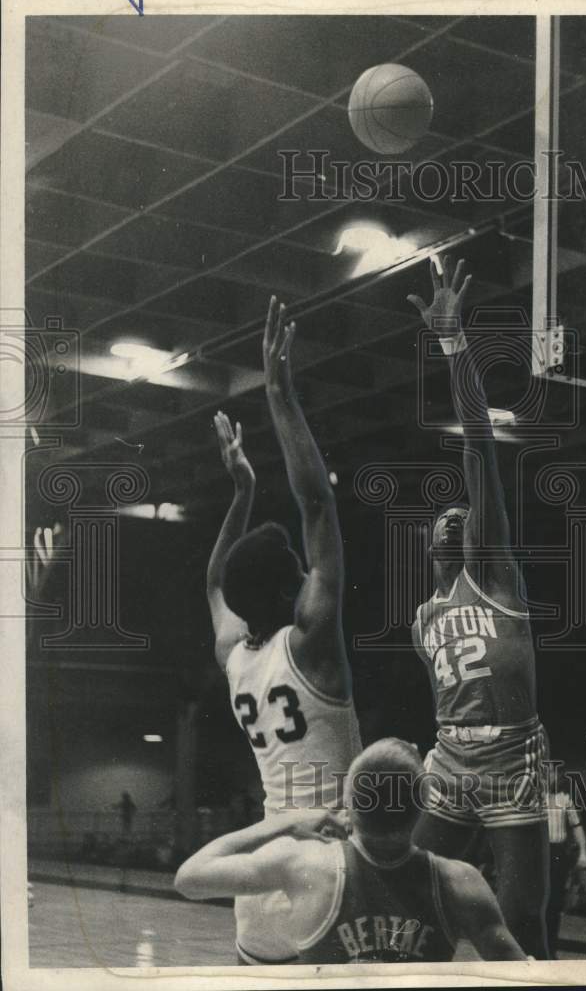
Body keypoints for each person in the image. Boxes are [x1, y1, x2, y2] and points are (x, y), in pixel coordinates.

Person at [206, 296, 361, 964]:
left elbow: (215, 583)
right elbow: (317, 503)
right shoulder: (312, 646)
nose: (307, 570)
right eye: (296, 567)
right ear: (281, 587)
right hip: (327, 868)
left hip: (260, 875)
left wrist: (241, 492)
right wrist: (280, 396)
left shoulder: (234, 658)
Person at [406, 256, 550, 958]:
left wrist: (453, 344)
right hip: (449, 760)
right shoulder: (423, 618)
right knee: (413, 900)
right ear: (427, 541)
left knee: (521, 922)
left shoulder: (491, 575)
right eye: (446, 518)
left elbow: (478, 450)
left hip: (513, 755)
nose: (457, 518)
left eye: (467, 515)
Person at [175, 738, 527, 963]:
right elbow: (519, 975)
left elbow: (188, 879)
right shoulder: (460, 882)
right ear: (422, 808)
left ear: (347, 804)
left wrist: (285, 822)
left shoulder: (305, 866)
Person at [545, 763, 586, 958]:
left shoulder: (565, 799)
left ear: (557, 777)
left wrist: (583, 852)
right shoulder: (532, 800)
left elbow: (577, 826)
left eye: (552, 774)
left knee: (554, 903)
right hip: (538, 852)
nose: (549, 778)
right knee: (536, 903)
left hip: (557, 852)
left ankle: (550, 948)